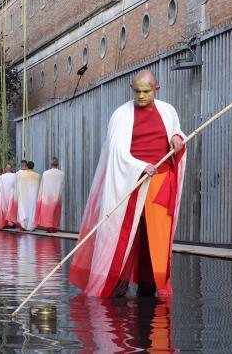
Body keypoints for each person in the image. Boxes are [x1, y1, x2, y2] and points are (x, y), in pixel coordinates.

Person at [70, 70, 186, 298]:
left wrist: (176, 137)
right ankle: (115, 284)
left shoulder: (167, 110)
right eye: (137, 91)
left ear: (156, 90)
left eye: (146, 91)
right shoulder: (121, 115)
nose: (141, 96)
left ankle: (152, 286)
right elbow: (116, 152)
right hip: (131, 183)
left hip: (160, 184)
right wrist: (140, 167)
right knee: (123, 235)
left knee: (157, 237)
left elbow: (176, 129)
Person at [35, 158, 65, 233]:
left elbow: (42, 184)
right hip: (57, 195)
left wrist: (41, 194)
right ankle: (54, 227)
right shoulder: (62, 173)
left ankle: (49, 227)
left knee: (47, 212)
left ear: (50, 164)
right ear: (57, 165)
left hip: (47, 196)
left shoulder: (45, 173)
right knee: (56, 211)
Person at [16, 160, 40, 231]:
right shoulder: (37, 175)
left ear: (26, 166)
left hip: (23, 195)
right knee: (32, 210)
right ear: (33, 167)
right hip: (33, 195)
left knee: (23, 209)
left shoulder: (21, 174)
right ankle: (31, 226)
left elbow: (18, 185)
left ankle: (23, 225)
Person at [0, 164, 18, 229]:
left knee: (4, 208)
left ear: (5, 169)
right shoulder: (14, 175)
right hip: (11, 195)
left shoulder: (2, 177)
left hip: (4, 195)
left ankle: (5, 222)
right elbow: (16, 186)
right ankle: (11, 222)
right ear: (11, 169)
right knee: (11, 208)